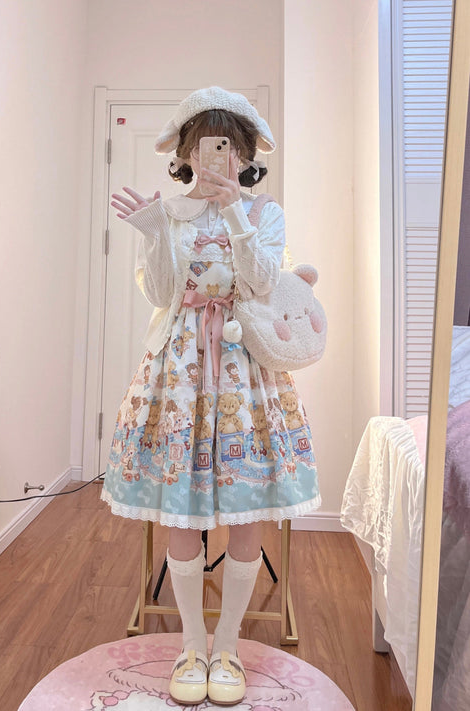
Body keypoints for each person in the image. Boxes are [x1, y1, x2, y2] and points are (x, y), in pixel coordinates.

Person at [101, 86, 321, 706]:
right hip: (178, 372)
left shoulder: (265, 213)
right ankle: (191, 646)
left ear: (245, 154)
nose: (216, 157)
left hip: (245, 371)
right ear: (186, 153)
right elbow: (163, 295)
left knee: (246, 511)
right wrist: (153, 233)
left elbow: (261, 283)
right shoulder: (168, 213)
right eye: (203, 145)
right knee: (183, 508)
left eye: (228, 146)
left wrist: (234, 214)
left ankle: (228, 647)